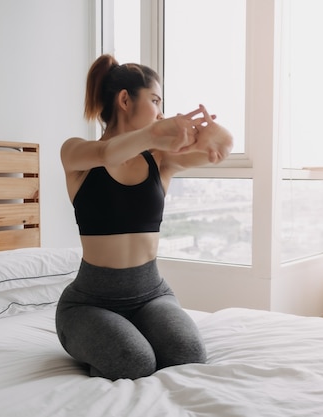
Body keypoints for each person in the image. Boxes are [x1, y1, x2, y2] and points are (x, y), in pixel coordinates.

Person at [55, 54, 233, 380]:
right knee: (133, 362)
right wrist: (154, 134)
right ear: (125, 99)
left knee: (187, 354)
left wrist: (209, 134)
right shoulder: (76, 152)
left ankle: (129, 331)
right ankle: (98, 337)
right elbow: (109, 153)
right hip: (90, 304)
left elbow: (222, 147)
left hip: (152, 294)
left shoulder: (162, 161)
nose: (161, 112)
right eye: (155, 100)